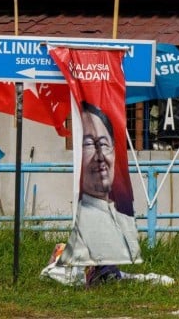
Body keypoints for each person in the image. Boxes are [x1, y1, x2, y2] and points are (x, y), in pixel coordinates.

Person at [59, 102, 142, 267]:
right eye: (89, 144)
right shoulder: (83, 223)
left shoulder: (124, 220)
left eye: (104, 144)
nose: (100, 157)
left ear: (114, 151)